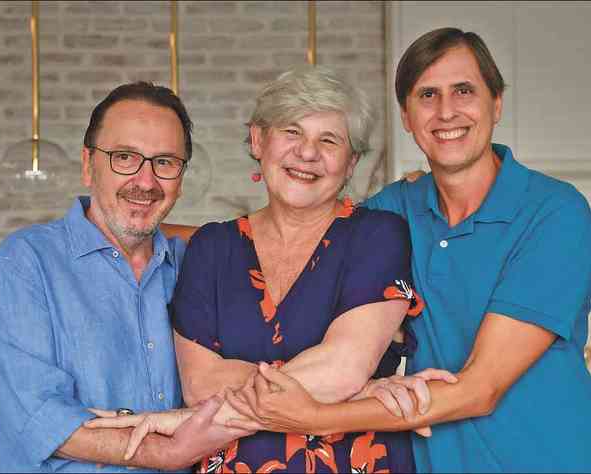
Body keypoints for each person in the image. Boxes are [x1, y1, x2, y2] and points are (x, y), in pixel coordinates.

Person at [219, 27, 591, 473]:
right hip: (431, 461)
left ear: (496, 103)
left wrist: (315, 416)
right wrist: (148, 235)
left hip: (545, 459)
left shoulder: (553, 212)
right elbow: (290, 235)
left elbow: (479, 390)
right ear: (406, 115)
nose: (446, 112)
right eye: (427, 95)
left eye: (463, 90)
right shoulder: (393, 210)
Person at [88, 66, 464, 473]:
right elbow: (200, 386)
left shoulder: (378, 236)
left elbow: (341, 368)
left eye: (329, 140)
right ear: (258, 140)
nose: (307, 152)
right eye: (291, 132)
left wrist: (343, 385)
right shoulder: (212, 248)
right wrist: (357, 395)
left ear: (351, 161)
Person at [0, 82, 246, 473]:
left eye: (165, 162)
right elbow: (37, 415)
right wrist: (165, 452)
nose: (146, 181)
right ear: (89, 165)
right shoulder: (28, 261)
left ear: (181, 176)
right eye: (124, 157)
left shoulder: (197, 264)